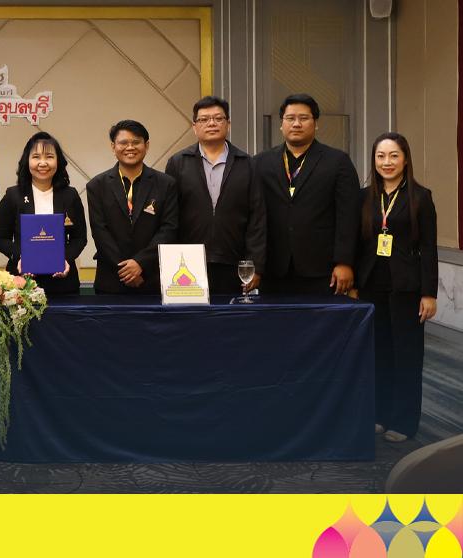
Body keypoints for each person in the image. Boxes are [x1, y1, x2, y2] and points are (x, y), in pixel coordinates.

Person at [354, 132, 438, 443]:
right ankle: (379, 414)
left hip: (407, 287)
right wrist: (353, 284)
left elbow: (428, 248)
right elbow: (357, 243)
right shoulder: (364, 197)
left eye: (393, 156)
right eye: (381, 156)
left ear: (405, 159)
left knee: (406, 355)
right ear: (374, 160)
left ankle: (403, 421)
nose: (386, 162)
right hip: (371, 285)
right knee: (378, 353)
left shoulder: (421, 197)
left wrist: (429, 293)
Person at [253, 93, 360, 296]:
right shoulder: (260, 163)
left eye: (303, 118)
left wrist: (344, 262)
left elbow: (349, 216)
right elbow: (254, 216)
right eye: (290, 118)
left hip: (322, 269)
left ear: (315, 123)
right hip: (273, 269)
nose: (296, 124)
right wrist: (255, 264)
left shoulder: (338, 162)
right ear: (281, 124)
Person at [165, 96, 266, 296]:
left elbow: (257, 218)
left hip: (234, 261)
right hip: (187, 262)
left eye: (218, 118)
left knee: (229, 314)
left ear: (228, 124)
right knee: (189, 315)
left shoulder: (247, 163)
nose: (211, 123)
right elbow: (169, 216)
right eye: (204, 119)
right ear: (194, 127)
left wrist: (256, 264)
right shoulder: (178, 163)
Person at [86, 120, 178, 294]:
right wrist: (126, 270)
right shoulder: (97, 185)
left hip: (152, 277)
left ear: (146, 145)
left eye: (136, 142)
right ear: (113, 147)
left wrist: (140, 263)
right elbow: (100, 231)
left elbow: (169, 229)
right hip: (111, 279)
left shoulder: (166, 184)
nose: (130, 147)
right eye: (123, 143)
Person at [0, 132, 87, 295]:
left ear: (58, 161)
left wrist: (64, 258)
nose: (43, 163)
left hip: (63, 283)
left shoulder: (70, 195)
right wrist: (22, 257)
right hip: (21, 282)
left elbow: (79, 238)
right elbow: (2, 239)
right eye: (36, 157)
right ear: (27, 160)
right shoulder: (13, 195)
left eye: (49, 157)